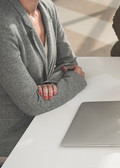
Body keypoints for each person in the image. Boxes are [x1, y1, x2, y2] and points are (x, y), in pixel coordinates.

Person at [0, 0, 87, 159]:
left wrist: (51, 83)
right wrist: (75, 80)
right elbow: (32, 103)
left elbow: (68, 62)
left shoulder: (47, 7)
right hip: (15, 143)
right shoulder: (3, 23)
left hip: (46, 119)